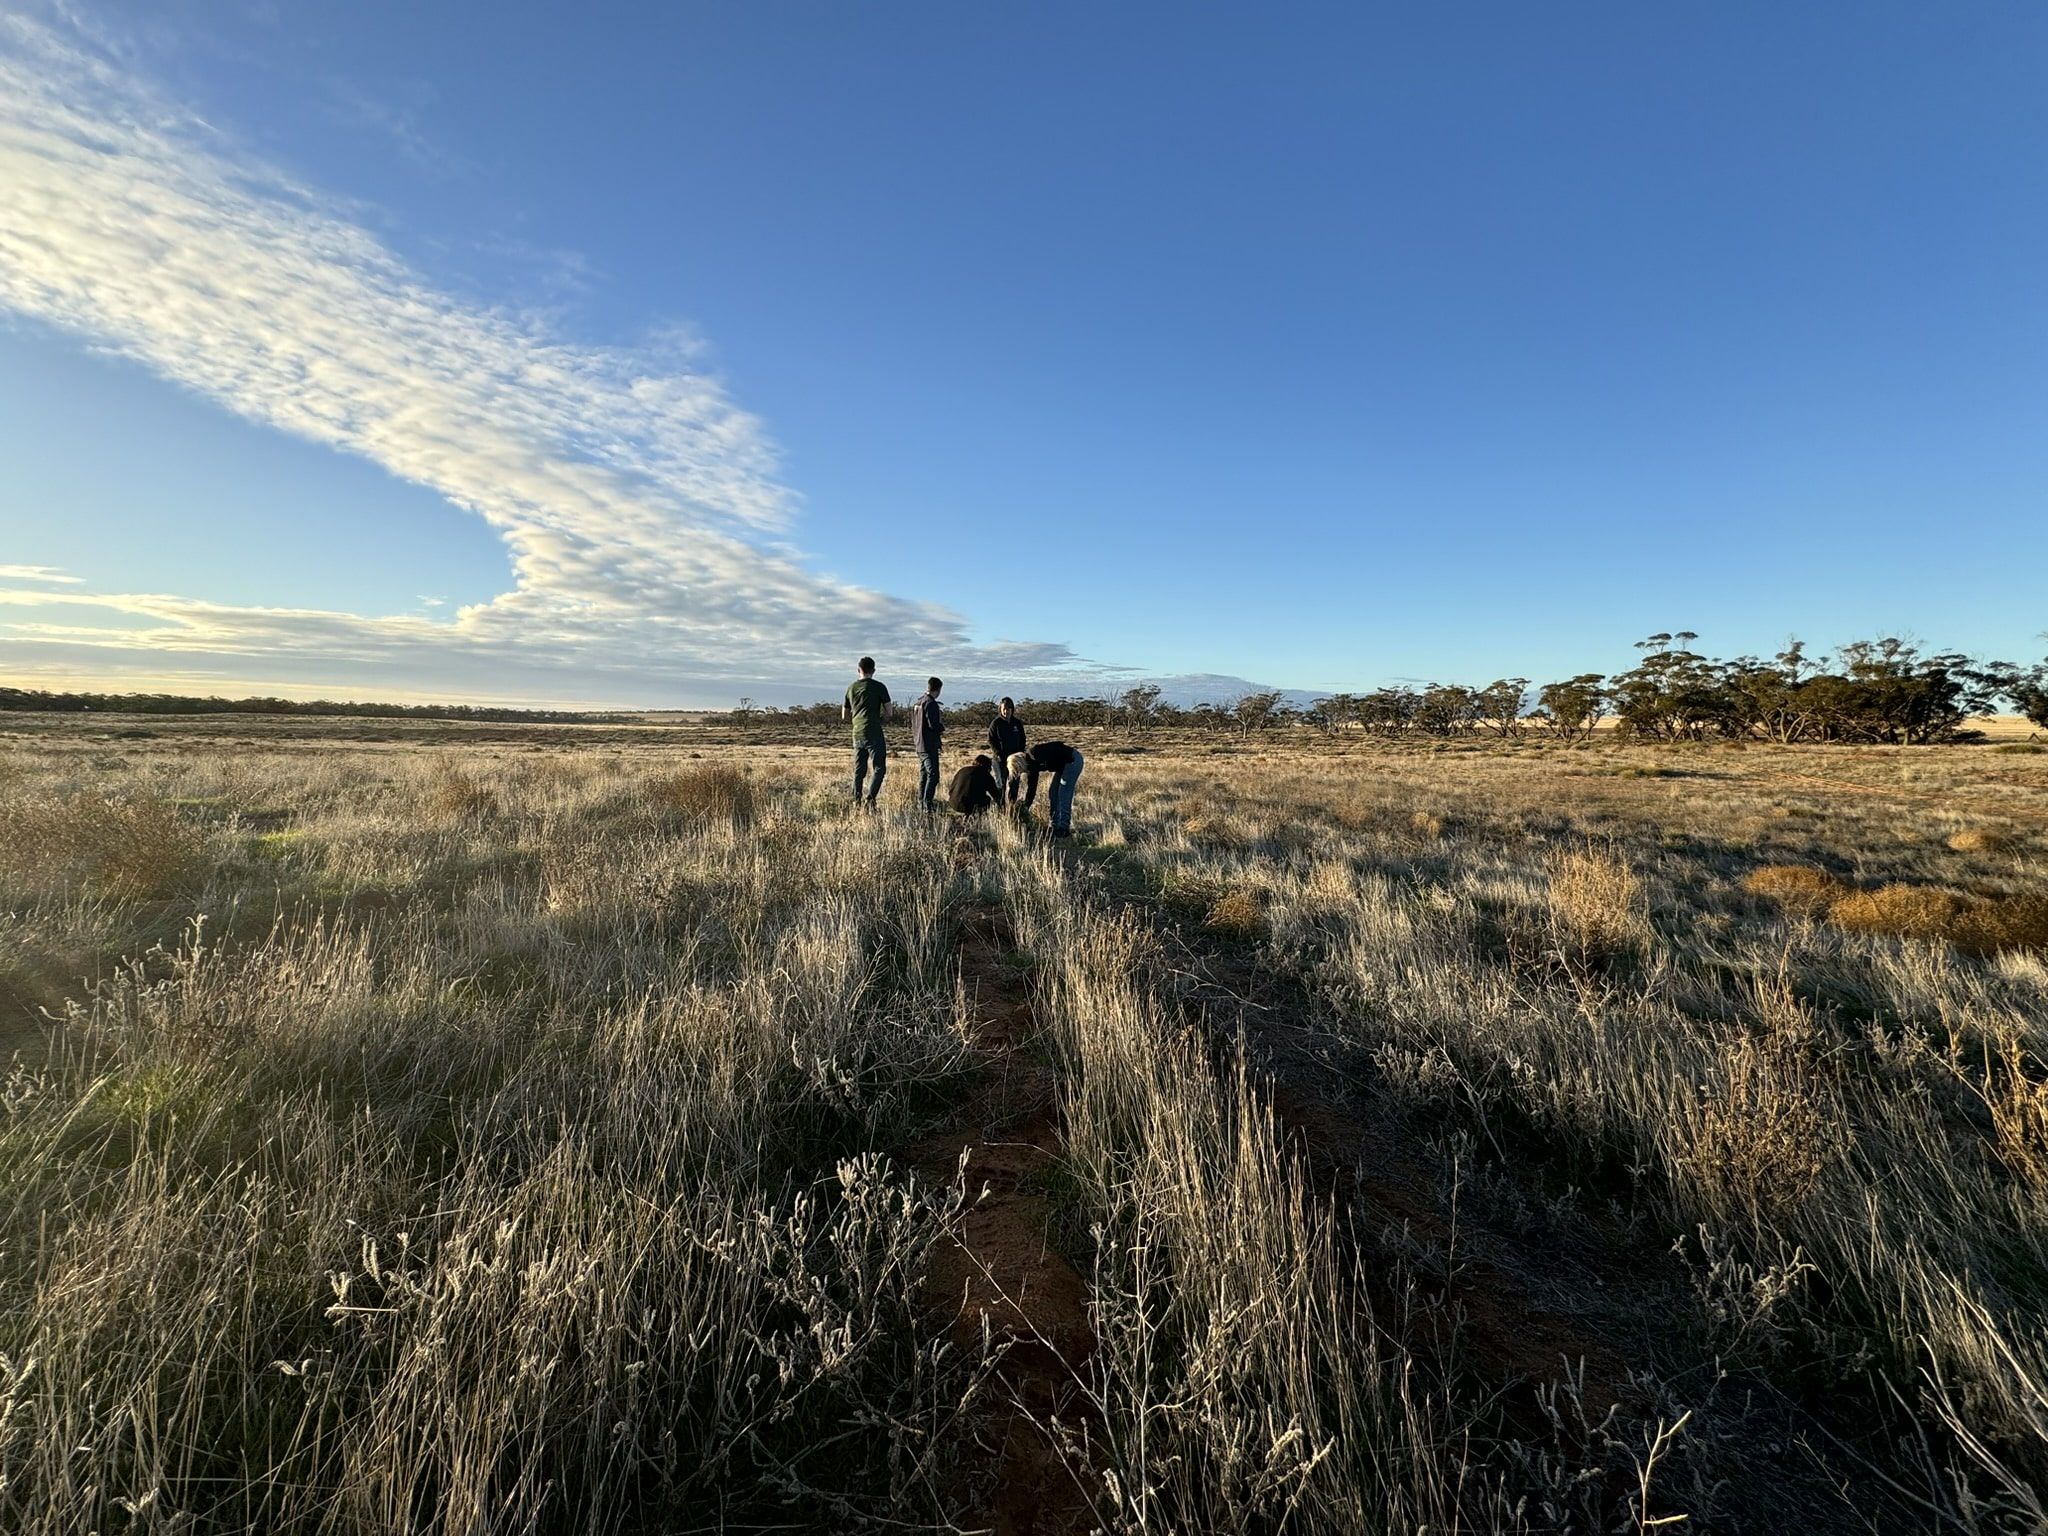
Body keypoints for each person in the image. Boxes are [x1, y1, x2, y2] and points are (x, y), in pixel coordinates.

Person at [1006, 739, 1084, 837]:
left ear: (1019, 763)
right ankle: (1055, 825)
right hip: (1062, 765)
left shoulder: (1034, 753)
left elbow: (1057, 745)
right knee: (1053, 792)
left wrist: (1063, 760)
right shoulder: (1031, 767)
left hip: (1072, 760)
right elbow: (1032, 788)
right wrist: (1026, 806)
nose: (1020, 773)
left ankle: (1064, 828)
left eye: (1018, 770)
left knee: (1064, 793)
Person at [842, 657, 890, 808]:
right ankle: (870, 800)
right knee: (879, 768)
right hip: (874, 732)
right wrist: (879, 719)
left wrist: (856, 720)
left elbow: (844, 715)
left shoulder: (851, 688)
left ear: (858, 670)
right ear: (873, 671)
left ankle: (856, 801)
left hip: (857, 733)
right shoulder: (879, 686)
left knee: (859, 770)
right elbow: (889, 712)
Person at [910, 676, 945, 812]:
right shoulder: (930, 703)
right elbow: (933, 724)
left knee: (924, 774)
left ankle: (922, 802)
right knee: (933, 775)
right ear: (938, 689)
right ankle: (927, 804)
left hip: (919, 743)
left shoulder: (918, 703)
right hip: (928, 744)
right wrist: (942, 727)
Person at [987, 697, 1026, 794]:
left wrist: (1020, 753)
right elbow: (990, 740)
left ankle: (1012, 805)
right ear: (1000, 709)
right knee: (1001, 784)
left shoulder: (1017, 723)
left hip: (1015, 759)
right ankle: (1001, 805)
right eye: (1003, 709)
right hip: (1001, 759)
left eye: (1008, 709)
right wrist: (998, 753)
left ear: (1012, 709)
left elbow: (1023, 739)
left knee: (1014, 783)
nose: (1006, 711)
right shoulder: (996, 723)